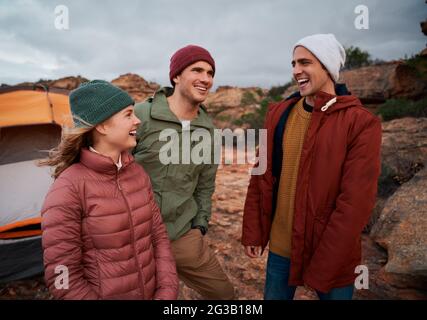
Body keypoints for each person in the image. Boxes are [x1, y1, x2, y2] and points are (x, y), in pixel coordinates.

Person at [242, 34, 382, 300]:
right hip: (281, 251)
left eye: (304, 62)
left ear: (327, 67)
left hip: (331, 256)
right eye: (293, 63)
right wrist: (253, 231)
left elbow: (355, 203)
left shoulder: (361, 123)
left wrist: (323, 265)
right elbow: (260, 175)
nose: (296, 71)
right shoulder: (279, 114)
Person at [40, 80, 178, 300]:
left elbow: (158, 238)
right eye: (128, 114)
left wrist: (167, 291)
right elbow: (62, 277)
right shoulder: (68, 189)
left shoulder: (138, 174)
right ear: (102, 126)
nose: (137, 121)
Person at [133, 45, 235, 299]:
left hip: (182, 235)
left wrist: (199, 224)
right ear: (176, 76)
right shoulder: (141, 114)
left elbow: (205, 185)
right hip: (135, 237)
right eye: (197, 70)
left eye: (210, 73)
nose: (206, 79)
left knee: (224, 297)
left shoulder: (209, 131)